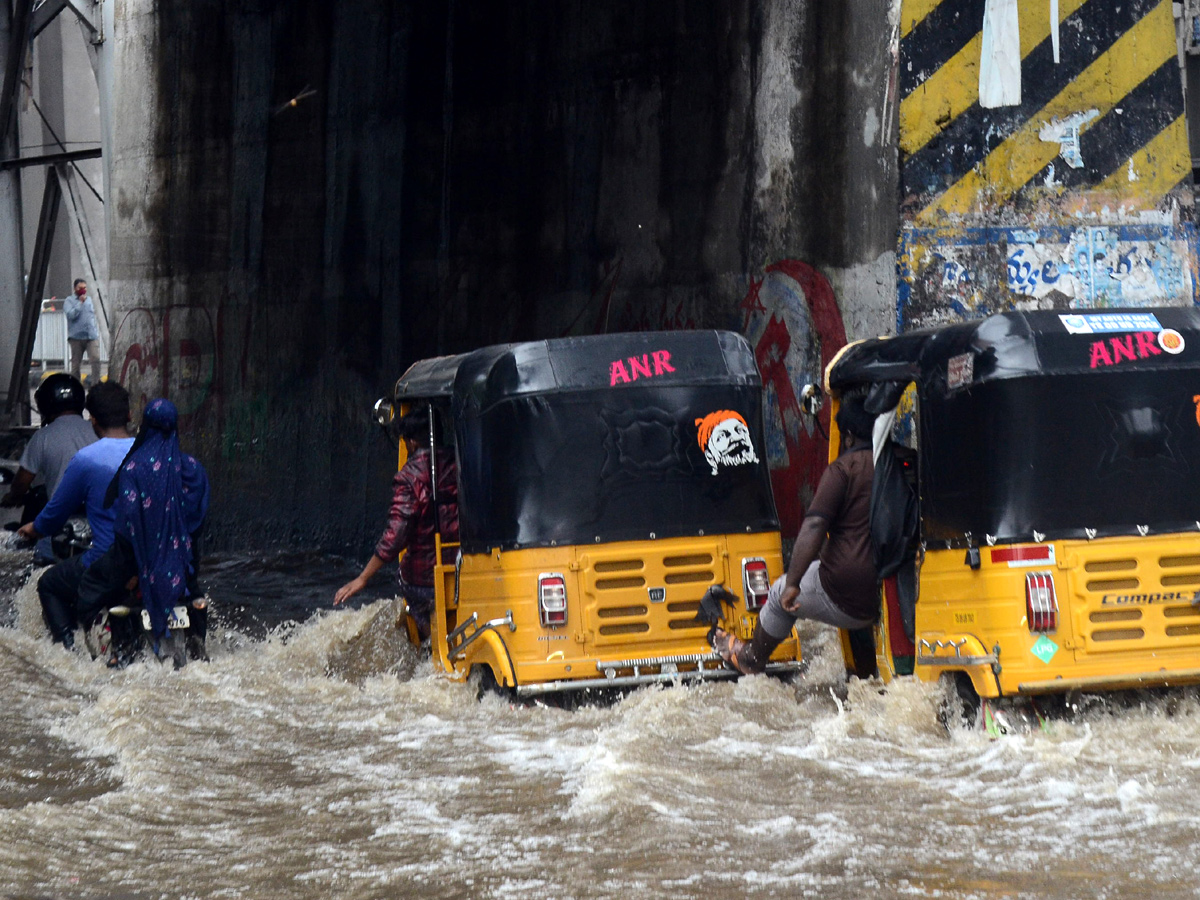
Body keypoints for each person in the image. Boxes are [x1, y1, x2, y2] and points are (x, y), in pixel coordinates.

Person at [711, 395, 879, 674]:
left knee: (779, 595)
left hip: (849, 592)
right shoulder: (901, 462)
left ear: (847, 438)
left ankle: (750, 659)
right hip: (896, 589)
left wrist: (793, 582)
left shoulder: (843, 470)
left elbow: (814, 527)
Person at [76, 398, 210, 661]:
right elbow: (198, 518)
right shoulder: (192, 469)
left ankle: (99, 653)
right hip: (183, 562)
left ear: (146, 425)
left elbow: (128, 523)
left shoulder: (135, 468)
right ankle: (198, 643)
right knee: (195, 594)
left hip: (136, 561)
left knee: (89, 587)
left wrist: (136, 567)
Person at [17, 381, 134, 648]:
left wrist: (35, 528)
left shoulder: (86, 459)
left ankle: (67, 652)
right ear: (129, 415)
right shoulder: (153, 454)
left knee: (48, 583)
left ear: (93, 420)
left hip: (106, 560)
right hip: (153, 560)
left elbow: (56, 512)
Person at [334, 407, 458, 640]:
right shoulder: (463, 465)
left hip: (425, 578)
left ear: (411, 442)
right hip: (465, 569)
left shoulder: (409, 477)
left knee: (403, 575)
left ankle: (428, 638)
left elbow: (395, 535)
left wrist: (363, 577)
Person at [1, 374, 96, 557]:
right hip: (98, 518)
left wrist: (12, 497)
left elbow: (22, 482)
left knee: (36, 558)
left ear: (45, 404)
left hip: (62, 521)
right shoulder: (96, 429)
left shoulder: (42, 437)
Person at [65, 278, 101, 383]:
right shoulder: (69, 301)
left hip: (91, 336)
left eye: (85, 288)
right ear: (75, 288)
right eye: (80, 288)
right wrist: (80, 303)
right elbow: (71, 315)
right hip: (76, 337)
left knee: (95, 360)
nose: (83, 290)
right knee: (76, 365)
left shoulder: (89, 300)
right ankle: (76, 387)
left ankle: (96, 385)